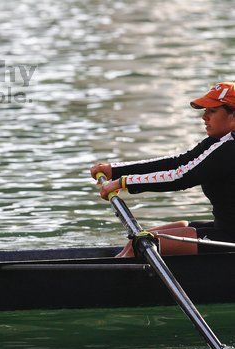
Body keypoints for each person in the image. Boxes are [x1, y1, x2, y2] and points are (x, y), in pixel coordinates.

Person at [90, 81, 235, 257]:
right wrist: (116, 170)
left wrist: (123, 183)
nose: (204, 117)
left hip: (229, 237)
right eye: (205, 111)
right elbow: (179, 162)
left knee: (140, 247)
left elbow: (181, 177)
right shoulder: (219, 142)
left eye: (212, 111)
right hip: (224, 228)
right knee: (135, 241)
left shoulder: (230, 149)